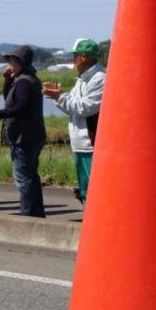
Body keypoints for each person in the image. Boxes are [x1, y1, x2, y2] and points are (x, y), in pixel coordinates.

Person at [43, 38, 104, 205]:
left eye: (74, 56)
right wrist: (59, 96)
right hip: (80, 144)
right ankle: (89, 226)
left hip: (90, 144)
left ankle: (96, 228)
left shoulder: (99, 79)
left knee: (95, 191)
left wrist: (60, 97)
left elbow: (85, 108)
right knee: (86, 191)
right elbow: (73, 106)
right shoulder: (82, 79)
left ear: (83, 57)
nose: (72, 60)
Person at [0, 45, 45, 217]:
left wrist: (0, 114)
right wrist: (7, 80)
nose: (10, 63)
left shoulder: (24, 82)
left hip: (23, 136)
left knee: (23, 178)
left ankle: (28, 213)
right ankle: (35, 212)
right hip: (32, 134)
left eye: (12, 60)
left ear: (20, 62)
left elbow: (20, 107)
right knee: (30, 176)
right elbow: (9, 98)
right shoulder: (26, 79)